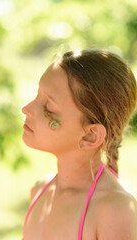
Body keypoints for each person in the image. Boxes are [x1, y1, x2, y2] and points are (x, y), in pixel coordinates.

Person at [21, 49, 137, 240]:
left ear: (90, 136)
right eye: (37, 94)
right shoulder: (39, 191)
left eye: (48, 107)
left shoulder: (114, 211)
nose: (25, 108)